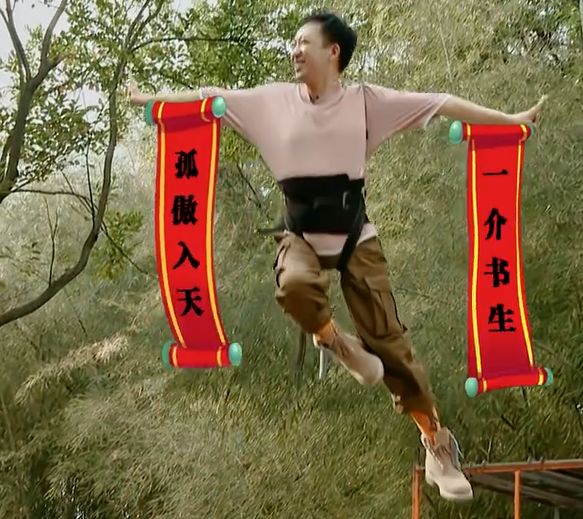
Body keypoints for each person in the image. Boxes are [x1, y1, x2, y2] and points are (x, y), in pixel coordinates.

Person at [129, 10, 545, 503]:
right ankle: (336, 343)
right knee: (294, 286)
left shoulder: (368, 103)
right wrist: (150, 100)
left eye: (303, 42)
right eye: (292, 42)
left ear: (333, 52)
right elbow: (206, 98)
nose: (294, 50)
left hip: (354, 237)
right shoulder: (270, 102)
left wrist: (510, 121)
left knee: (391, 347)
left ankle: (437, 442)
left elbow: (444, 103)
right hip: (300, 235)